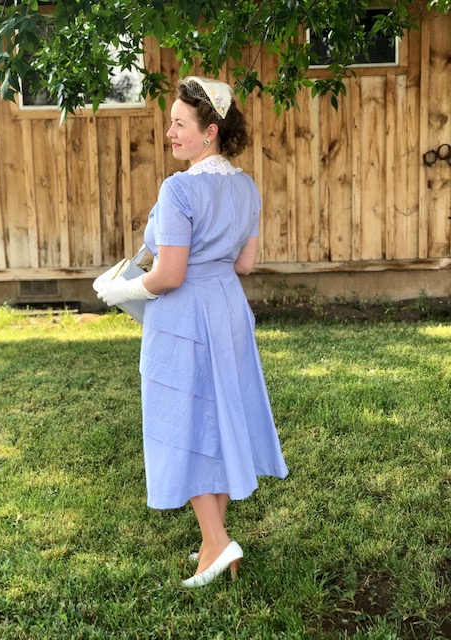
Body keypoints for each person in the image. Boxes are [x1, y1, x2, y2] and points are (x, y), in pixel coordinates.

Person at [96, 76, 288, 588]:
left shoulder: (179, 188)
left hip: (184, 317)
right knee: (218, 417)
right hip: (228, 310)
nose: (170, 132)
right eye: (171, 123)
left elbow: (169, 275)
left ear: (210, 131)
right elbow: (244, 264)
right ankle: (211, 542)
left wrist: (120, 292)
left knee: (185, 421)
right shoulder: (246, 187)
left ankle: (219, 543)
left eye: (180, 124)